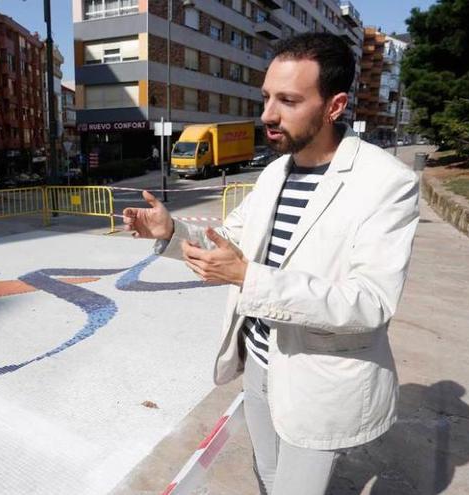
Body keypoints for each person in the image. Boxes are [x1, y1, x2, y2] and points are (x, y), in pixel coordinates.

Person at [122, 32, 419, 495]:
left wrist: (247, 278)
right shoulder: (275, 172)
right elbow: (232, 240)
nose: (268, 115)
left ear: (334, 106)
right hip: (260, 360)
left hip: (318, 376)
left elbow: (369, 304)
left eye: (288, 100)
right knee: (268, 475)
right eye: (265, 97)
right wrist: (171, 231)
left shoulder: (386, 183)